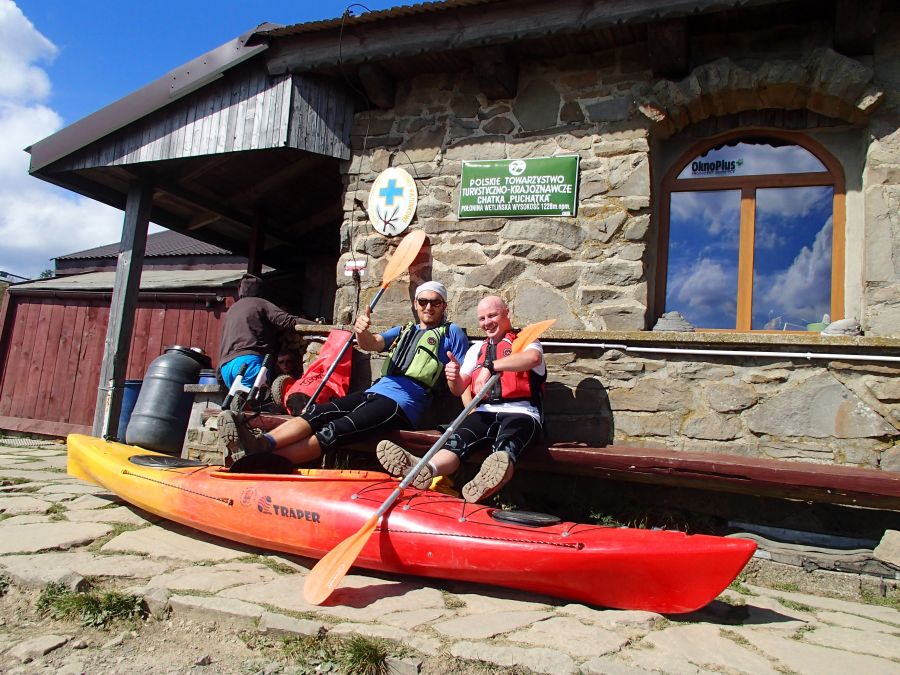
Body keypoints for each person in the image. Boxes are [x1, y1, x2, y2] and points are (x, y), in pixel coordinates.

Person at [217, 281, 469, 467]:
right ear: (415, 304)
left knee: (336, 430)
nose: (429, 307)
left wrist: (454, 375)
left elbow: (462, 384)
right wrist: (361, 330)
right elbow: (372, 343)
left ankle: (267, 462)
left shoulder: (452, 332)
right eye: (423, 301)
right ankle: (261, 445)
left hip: (403, 405)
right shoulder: (405, 329)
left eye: (435, 302)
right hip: (375, 392)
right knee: (316, 412)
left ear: (444, 305)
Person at [376, 295, 546, 503]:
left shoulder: (528, 341)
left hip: (522, 413)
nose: (487, 322)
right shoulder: (476, 350)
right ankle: (424, 469)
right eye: (482, 318)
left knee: (505, 450)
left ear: (506, 314)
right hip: (484, 413)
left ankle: (484, 488)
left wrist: (490, 366)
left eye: (492, 315)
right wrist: (453, 377)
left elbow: (532, 359)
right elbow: (458, 389)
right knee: (456, 442)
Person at [218, 274, 316, 388]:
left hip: (226, 368)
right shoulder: (260, 303)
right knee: (256, 402)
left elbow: (223, 343)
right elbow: (287, 320)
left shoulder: (231, 310)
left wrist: (219, 374)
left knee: (240, 403)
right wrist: (318, 326)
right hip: (249, 363)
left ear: (240, 290)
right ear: (260, 291)